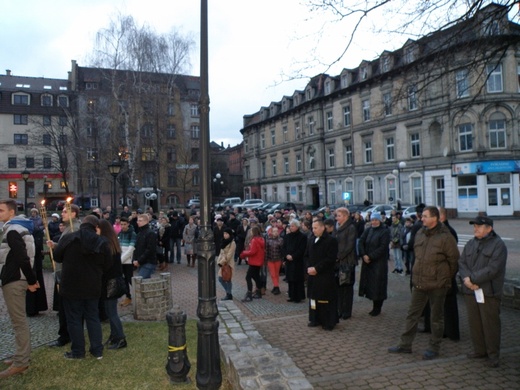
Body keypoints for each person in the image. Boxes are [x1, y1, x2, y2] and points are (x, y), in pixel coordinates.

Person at [388, 206, 459, 360]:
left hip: (438, 284)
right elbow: (417, 256)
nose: (422, 218)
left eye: (425, 216)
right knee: (412, 314)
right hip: (419, 282)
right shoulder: (420, 232)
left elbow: (454, 261)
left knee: (436, 317)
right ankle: (405, 344)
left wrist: (445, 278)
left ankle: (434, 347)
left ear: (435, 218)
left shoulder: (446, 237)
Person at [53, 215, 111, 360]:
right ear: (95, 227)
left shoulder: (69, 238)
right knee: (93, 317)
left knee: (74, 319)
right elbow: (107, 264)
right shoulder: (102, 242)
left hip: (71, 285)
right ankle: (97, 350)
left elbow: (57, 256)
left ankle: (78, 351)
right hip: (92, 285)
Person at [459, 216, 507, 368]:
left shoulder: (498, 245)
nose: (475, 228)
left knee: (490, 324)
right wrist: (467, 280)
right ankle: (480, 351)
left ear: (489, 228)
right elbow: (462, 263)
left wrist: (472, 279)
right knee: (475, 323)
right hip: (470, 291)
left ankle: (493, 355)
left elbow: (493, 269)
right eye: (474, 226)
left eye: (479, 226)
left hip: (488, 292)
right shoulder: (471, 243)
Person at [0, 199, 39, 378]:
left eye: (1, 211)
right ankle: (20, 355)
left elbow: (23, 258)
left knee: (18, 322)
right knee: (19, 321)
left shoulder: (13, 230)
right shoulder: (22, 228)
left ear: (11, 213)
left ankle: (21, 362)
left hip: (14, 280)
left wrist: (31, 280)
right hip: (18, 278)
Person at [47, 204, 81, 348]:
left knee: (68, 307)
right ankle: (66, 334)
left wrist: (58, 249)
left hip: (69, 272)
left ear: (73, 214)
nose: (62, 214)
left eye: (65, 212)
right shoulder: (68, 228)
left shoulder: (75, 228)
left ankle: (66, 336)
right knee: (64, 306)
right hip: (63, 270)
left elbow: (71, 250)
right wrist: (55, 245)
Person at [97, 219, 127, 350]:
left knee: (111, 312)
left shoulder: (106, 245)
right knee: (110, 311)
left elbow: (106, 266)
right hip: (114, 280)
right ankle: (114, 335)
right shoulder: (112, 243)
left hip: (110, 282)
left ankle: (120, 338)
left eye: (97, 229)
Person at [305, 219, 338, 330]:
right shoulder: (311, 239)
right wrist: (308, 267)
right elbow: (307, 255)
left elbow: (330, 259)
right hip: (312, 275)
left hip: (324, 275)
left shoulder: (331, 240)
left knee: (324, 299)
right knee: (313, 298)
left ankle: (327, 321)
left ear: (322, 227)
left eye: (315, 228)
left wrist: (317, 268)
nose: (313, 230)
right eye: (312, 228)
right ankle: (314, 319)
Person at [358, 212, 390, 316]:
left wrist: (370, 256)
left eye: (376, 220)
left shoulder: (384, 232)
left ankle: (377, 307)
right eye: (372, 220)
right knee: (370, 285)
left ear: (380, 220)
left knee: (378, 286)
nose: (374, 222)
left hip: (378, 263)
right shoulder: (368, 230)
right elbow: (361, 241)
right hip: (368, 263)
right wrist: (363, 255)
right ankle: (373, 305)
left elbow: (383, 247)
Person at [334, 207, 357, 320]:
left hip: (348, 261)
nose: (337, 218)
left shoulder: (351, 227)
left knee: (347, 286)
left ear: (345, 216)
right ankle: (339, 309)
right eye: (336, 216)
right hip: (338, 261)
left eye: (339, 216)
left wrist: (339, 256)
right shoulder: (337, 227)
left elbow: (350, 245)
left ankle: (346, 311)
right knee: (339, 286)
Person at [26, 208, 47, 316]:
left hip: (35, 260)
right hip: (30, 260)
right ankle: (31, 308)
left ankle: (36, 307)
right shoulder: (27, 232)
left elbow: (37, 246)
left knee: (36, 281)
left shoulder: (37, 231)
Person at [282, 219, 307, 303]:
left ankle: (298, 296)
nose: (291, 228)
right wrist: (286, 255)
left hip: (297, 261)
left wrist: (293, 256)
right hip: (289, 261)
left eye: (293, 226)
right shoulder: (287, 236)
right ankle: (291, 295)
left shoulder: (302, 237)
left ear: (297, 226)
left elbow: (302, 249)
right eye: (290, 226)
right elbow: (284, 247)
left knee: (297, 279)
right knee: (290, 279)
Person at [239, 226, 265, 302]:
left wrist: (243, 253)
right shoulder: (261, 239)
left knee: (248, 277)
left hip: (254, 261)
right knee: (256, 276)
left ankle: (249, 294)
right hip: (258, 261)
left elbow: (252, 252)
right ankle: (258, 291)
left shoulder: (254, 240)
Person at [118, 217, 136, 307]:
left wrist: (120, 260)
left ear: (128, 224)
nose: (123, 226)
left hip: (128, 261)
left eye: (124, 224)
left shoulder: (132, 234)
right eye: (121, 224)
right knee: (124, 280)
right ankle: (128, 297)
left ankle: (138, 295)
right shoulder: (120, 234)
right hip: (121, 261)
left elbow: (130, 249)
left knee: (130, 279)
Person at [132, 214, 157, 279]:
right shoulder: (139, 233)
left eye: (140, 221)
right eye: (138, 220)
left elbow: (150, 249)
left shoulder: (150, 233)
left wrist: (139, 260)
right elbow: (136, 248)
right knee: (145, 283)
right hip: (141, 262)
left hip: (148, 262)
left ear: (146, 221)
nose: (138, 222)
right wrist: (135, 259)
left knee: (139, 281)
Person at [217, 228, 236, 300]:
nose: (225, 235)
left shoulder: (232, 243)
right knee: (221, 278)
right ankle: (228, 293)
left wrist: (222, 262)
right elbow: (221, 253)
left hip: (228, 264)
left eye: (226, 234)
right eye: (224, 233)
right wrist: (219, 261)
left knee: (227, 278)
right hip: (222, 263)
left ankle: (229, 294)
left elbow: (229, 255)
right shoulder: (223, 241)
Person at [265, 226, 284, 295]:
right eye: (274, 231)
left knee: (276, 274)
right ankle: (276, 286)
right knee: (273, 274)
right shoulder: (268, 240)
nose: (275, 232)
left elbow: (282, 251)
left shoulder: (281, 240)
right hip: (270, 259)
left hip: (278, 259)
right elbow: (266, 250)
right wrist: (266, 259)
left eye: (277, 231)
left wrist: (283, 259)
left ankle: (276, 286)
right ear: (271, 232)